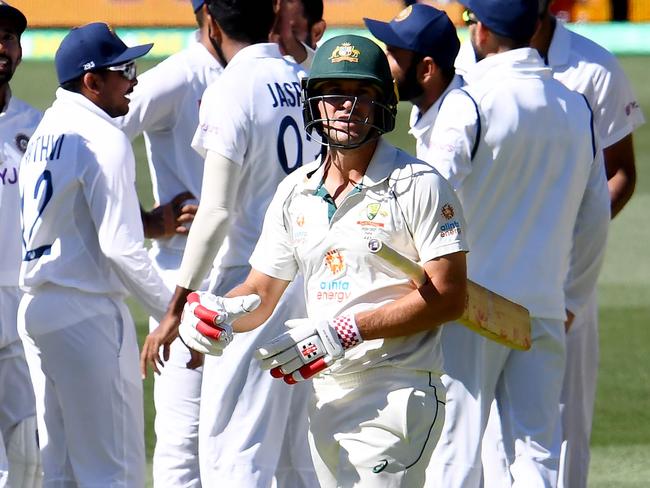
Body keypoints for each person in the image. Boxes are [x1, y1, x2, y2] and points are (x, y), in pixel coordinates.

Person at [178, 33, 470, 488]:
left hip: (398, 390)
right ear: (315, 103)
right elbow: (261, 290)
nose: (347, 108)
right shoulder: (296, 191)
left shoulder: (419, 184)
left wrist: (348, 330)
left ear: (383, 106)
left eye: (362, 95)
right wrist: (219, 313)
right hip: (326, 394)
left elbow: (450, 297)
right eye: (334, 95)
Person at [423, 0, 611, 486]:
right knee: (536, 455)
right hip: (543, 308)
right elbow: (595, 217)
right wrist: (570, 298)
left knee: (456, 452)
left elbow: (432, 197)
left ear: (482, 32)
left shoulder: (468, 100)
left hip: (470, 306)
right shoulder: (576, 106)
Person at [461, 1, 645, 486]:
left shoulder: (594, 67)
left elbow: (620, 173)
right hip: (483, 287)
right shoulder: (465, 60)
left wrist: (568, 283)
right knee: (476, 446)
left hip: (559, 289)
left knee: (557, 440)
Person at [139, 0, 322, 485]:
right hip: (312, 282)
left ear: (212, 25)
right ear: (274, 18)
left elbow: (215, 211)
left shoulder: (230, 88)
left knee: (235, 449)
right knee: (295, 450)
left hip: (247, 285)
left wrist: (178, 307)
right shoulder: (307, 81)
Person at [18, 22, 171, 487]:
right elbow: (122, 246)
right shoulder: (103, 137)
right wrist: (173, 308)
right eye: (125, 70)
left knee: (61, 470)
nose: (135, 80)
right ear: (92, 81)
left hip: (40, 310)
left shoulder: (45, 129)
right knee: (113, 472)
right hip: (86, 311)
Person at [116, 1, 222, 485]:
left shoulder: (266, 72)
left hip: (255, 278)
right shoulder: (179, 77)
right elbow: (98, 130)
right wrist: (144, 221)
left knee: (245, 437)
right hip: (184, 278)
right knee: (183, 442)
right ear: (210, 16)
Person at [0, 3, 42, 486]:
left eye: (8, 37)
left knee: (30, 455)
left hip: (21, 302)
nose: (1, 46)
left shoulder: (38, 126)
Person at [363, 3, 462, 167]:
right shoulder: (427, 104)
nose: (382, 62)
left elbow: (436, 191)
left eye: (392, 53)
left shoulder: (455, 122)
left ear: (426, 69)